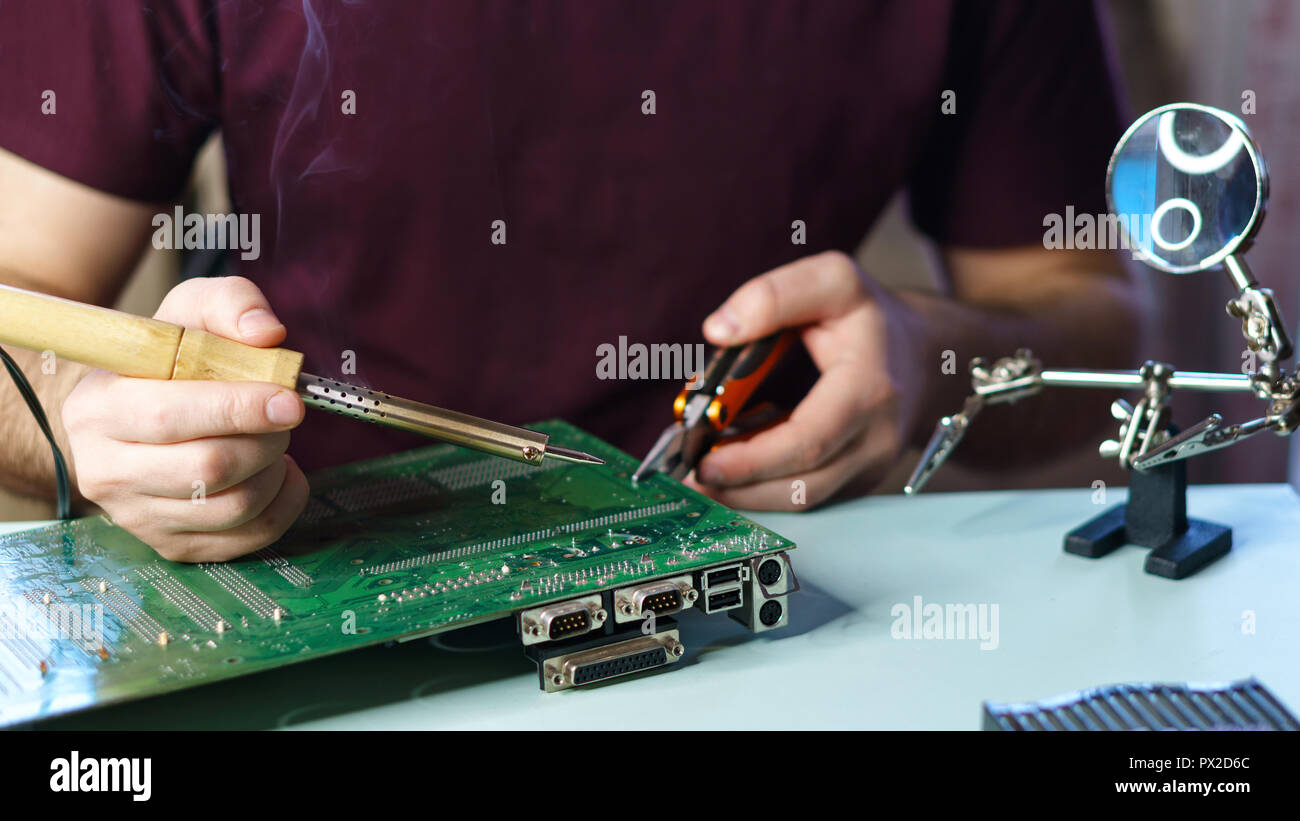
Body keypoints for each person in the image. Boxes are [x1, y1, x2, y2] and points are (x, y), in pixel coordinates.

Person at [0, 0, 1141, 561]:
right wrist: (89, 418)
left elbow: (1107, 331)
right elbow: (18, 297)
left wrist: (929, 361)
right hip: (307, 572)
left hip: (748, 592)